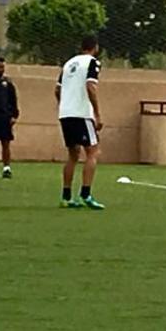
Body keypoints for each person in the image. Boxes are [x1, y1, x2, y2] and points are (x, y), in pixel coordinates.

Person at [55, 36, 105, 210]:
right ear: (95, 47)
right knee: (93, 151)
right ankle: (86, 194)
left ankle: (66, 196)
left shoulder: (69, 63)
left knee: (73, 155)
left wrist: (65, 105)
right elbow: (91, 86)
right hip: (81, 113)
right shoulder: (92, 62)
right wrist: (97, 114)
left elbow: (57, 89)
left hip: (66, 113)